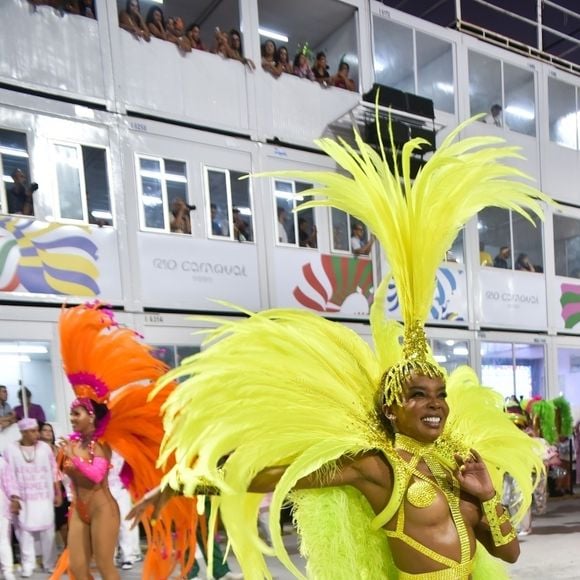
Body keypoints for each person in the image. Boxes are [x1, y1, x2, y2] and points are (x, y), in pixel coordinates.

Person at [129, 116, 552, 579]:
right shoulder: (374, 466)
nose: (434, 405)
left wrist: (488, 495)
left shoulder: (459, 464)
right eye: (418, 394)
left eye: (439, 394)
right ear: (392, 409)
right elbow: (273, 475)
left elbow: (508, 554)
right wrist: (181, 484)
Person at [51, 302, 197, 580]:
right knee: (78, 568)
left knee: (106, 567)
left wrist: (72, 457)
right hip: (77, 510)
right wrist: (62, 456)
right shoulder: (70, 442)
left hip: (102, 508)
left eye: (77, 413)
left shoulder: (102, 444)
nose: (71, 417)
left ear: (92, 417)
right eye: (71, 412)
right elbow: (62, 473)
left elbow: (95, 474)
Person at [4, 418, 60, 576]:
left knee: (48, 531)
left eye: (37, 430)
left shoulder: (45, 448)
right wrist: (13, 497)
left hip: (44, 496)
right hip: (23, 498)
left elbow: (54, 470)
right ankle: (28, 564)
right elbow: (8, 475)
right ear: (23, 432)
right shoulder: (10, 449)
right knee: (24, 532)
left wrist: (57, 492)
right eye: (33, 431)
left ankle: (49, 563)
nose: (37, 434)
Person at [38, 422, 70, 549]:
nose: (48, 433)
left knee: (64, 521)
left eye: (50, 430)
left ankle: (68, 549)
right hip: (45, 488)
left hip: (61, 486)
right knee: (50, 522)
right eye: (45, 430)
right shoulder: (38, 450)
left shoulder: (59, 449)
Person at [0, 455, 15, 580]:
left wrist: (14, 498)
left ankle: (7, 571)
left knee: (2, 539)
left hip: (1, 506)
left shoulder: (1, 463)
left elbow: (9, 484)